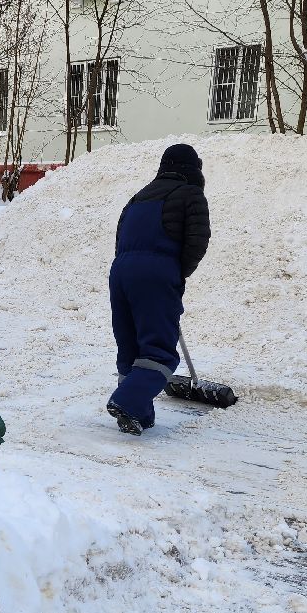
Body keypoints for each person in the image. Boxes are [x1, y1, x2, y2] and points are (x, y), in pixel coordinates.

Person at [105, 142, 210, 434]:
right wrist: (176, 274)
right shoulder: (190, 194)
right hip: (156, 273)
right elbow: (197, 241)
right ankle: (127, 400)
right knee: (160, 352)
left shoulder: (137, 197)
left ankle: (138, 412)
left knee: (131, 347)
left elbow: (119, 239)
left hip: (120, 272)